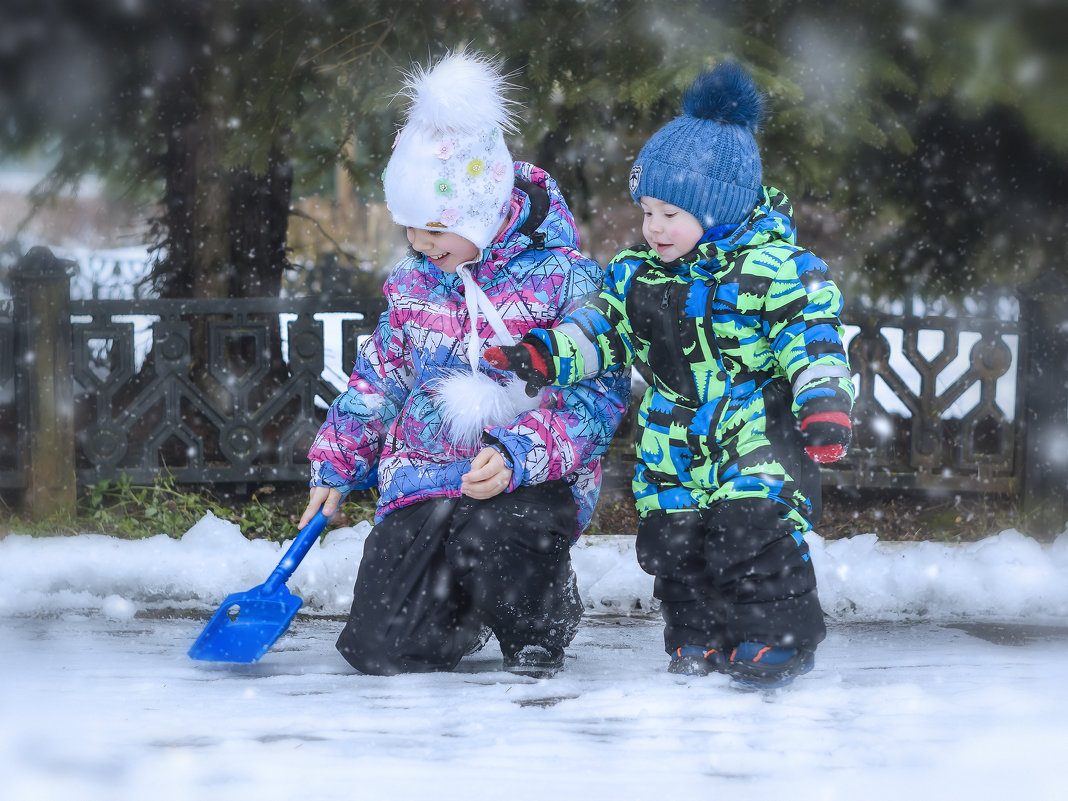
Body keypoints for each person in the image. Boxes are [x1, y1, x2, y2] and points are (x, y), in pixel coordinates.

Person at [485, 62, 854, 689]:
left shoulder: (779, 270)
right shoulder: (637, 275)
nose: (653, 227)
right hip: (672, 436)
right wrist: (545, 353)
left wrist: (822, 402)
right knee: (672, 541)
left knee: (751, 531)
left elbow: (812, 337)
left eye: (670, 214)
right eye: (648, 211)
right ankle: (697, 637)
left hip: (753, 432)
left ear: (720, 209)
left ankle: (777, 636)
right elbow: (602, 332)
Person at [299, 51, 630, 679]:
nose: (421, 243)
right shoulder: (414, 284)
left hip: (532, 479)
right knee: (380, 649)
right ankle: (454, 616)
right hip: (427, 473)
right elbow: (379, 382)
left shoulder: (562, 280)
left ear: (479, 208)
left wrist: (518, 453)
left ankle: (538, 619)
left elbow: (598, 397)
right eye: (410, 228)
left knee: (497, 538)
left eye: (435, 227)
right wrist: (336, 464)